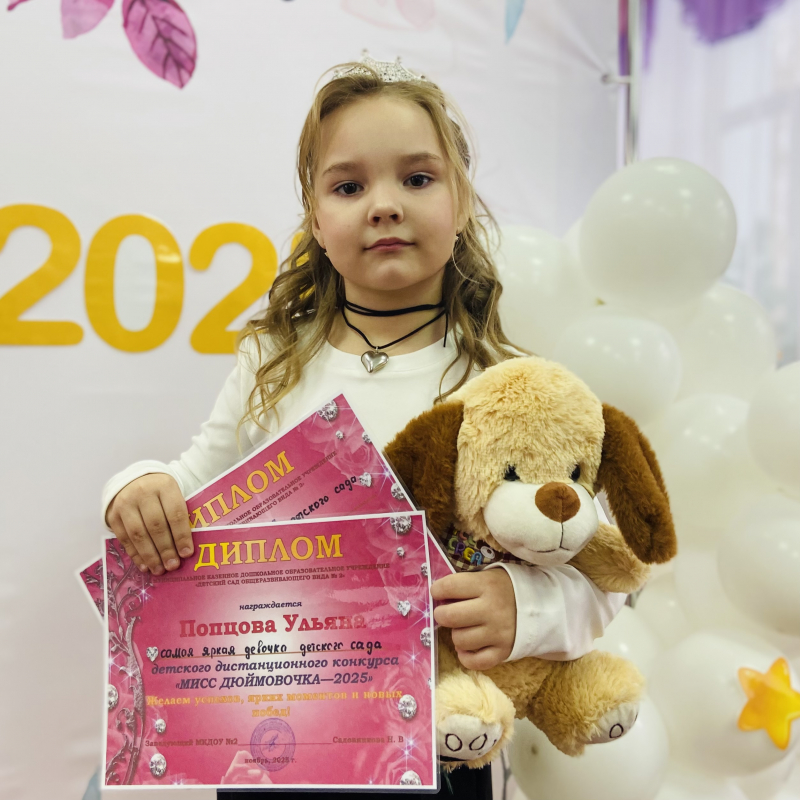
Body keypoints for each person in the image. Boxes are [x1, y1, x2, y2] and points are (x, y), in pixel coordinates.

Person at [103, 57, 626, 799]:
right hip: (279, 749)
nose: (383, 205)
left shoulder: (509, 384)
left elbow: (604, 570)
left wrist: (527, 608)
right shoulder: (272, 363)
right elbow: (187, 490)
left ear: (462, 201)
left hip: (443, 749)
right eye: (348, 187)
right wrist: (136, 488)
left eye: (417, 178)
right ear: (316, 221)